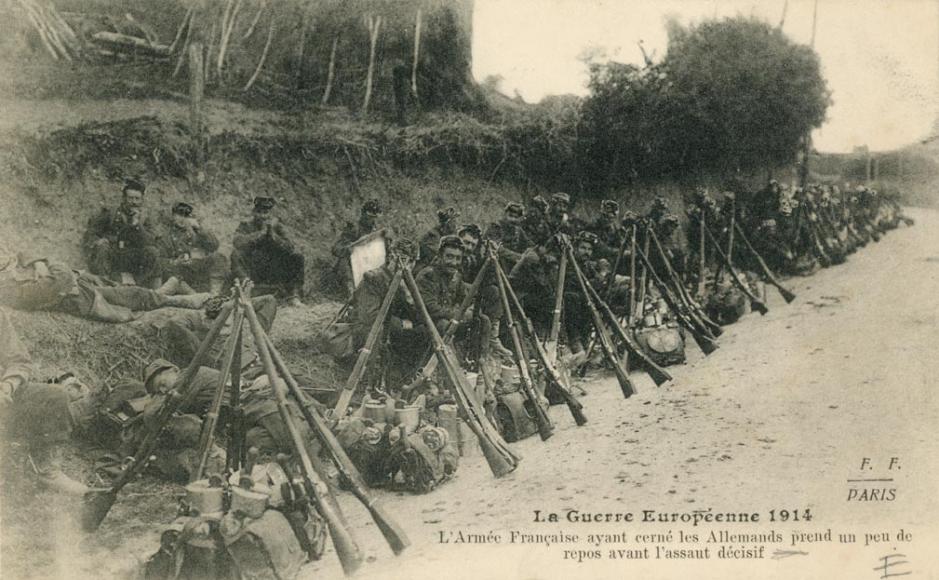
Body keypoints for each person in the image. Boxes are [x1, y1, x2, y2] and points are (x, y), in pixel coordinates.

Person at [0, 308, 91, 495]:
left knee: (54, 395)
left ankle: (48, 471)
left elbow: (19, 360)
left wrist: (8, 385)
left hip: (5, 399)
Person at [0, 247, 208, 323]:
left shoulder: (6, 270)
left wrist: (37, 261)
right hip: (85, 298)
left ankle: (166, 292)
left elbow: (22, 251)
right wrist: (47, 265)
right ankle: (175, 299)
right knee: (132, 297)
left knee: (123, 288)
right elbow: (59, 282)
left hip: (80, 282)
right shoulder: (7, 291)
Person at [352, 238, 424, 391]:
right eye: (403, 260)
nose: (408, 266)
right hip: (367, 331)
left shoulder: (405, 282)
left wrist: (408, 295)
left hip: (390, 329)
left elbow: (417, 315)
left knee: (423, 333)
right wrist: (401, 324)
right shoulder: (373, 278)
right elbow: (369, 317)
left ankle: (409, 383)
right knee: (382, 337)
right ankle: (373, 385)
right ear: (391, 257)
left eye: (411, 262)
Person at [160, 293, 278, 369]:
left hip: (253, 357)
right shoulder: (200, 321)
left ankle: (260, 350)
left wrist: (240, 303)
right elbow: (174, 324)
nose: (228, 324)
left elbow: (269, 300)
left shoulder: (229, 307)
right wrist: (202, 350)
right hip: (235, 366)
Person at [81, 178, 162, 288]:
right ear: (124, 199)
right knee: (102, 247)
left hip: (135, 258)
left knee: (153, 252)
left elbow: (151, 240)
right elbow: (92, 232)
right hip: (114, 256)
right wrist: (98, 241)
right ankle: (105, 284)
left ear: (142, 200)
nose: (133, 202)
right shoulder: (111, 213)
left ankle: (146, 287)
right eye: (130, 198)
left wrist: (137, 225)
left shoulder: (145, 218)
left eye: (137, 199)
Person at [231, 197, 305, 306]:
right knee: (236, 254)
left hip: (273, 268)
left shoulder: (277, 226)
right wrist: (261, 234)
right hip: (253, 268)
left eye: (265, 212)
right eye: (259, 212)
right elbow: (237, 242)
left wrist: (273, 236)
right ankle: (246, 290)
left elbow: (290, 247)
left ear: (270, 214)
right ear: (254, 212)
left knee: (297, 257)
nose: (262, 216)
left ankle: (293, 295)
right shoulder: (246, 225)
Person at [157, 202, 229, 294]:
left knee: (219, 257)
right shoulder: (166, 236)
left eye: (186, 215)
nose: (183, 219)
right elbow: (159, 261)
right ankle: (192, 293)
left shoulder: (197, 233)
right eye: (179, 215)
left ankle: (215, 294)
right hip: (180, 272)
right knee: (174, 276)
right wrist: (175, 262)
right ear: (173, 216)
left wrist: (199, 228)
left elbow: (214, 245)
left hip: (197, 271)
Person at [331, 199, 384, 298]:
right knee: (343, 261)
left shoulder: (377, 230)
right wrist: (349, 248)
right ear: (363, 214)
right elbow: (336, 248)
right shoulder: (353, 229)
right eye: (370, 217)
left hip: (370, 265)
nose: (372, 221)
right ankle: (350, 292)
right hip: (354, 267)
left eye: (375, 218)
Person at [485, 202, 532, 270]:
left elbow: (528, 243)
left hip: (512, 263)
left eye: (516, 217)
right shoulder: (496, 227)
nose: (512, 219)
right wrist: (519, 257)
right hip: (496, 263)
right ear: (505, 214)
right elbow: (497, 248)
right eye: (510, 216)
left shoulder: (517, 229)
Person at [417, 207, 460, 271]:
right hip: (425, 269)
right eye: (453, 221)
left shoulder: (450, 234)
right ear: (447, 223)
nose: (456, 225)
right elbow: (438, 256)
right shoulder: (432, 235)